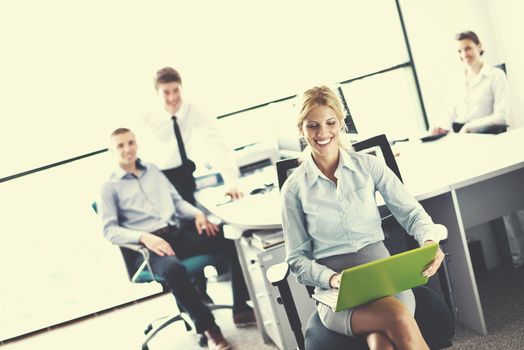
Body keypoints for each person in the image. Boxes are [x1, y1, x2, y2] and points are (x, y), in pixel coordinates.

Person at [281, 85, 448, 350]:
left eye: (330, 122)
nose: (322, 133)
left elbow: (412, 213)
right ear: (301, 129)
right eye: (312, 125)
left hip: (385, 280)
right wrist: (332, 279)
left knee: (381, 343)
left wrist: (430, 241)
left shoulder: (368, 166)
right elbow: (297, 259)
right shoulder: (293, 189)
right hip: (336, 292)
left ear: (341, 124)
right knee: (397, 316)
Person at [99, 128, 255, 350]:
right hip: (149, 248)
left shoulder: (152, 171)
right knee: (173, 270)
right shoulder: (109, 186)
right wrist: (144, 237)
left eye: (131, 143)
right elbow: (109, 230)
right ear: (111, 150)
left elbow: (176, 202)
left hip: (175, 234)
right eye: (120, 146)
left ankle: (241, 308)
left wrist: (198, 214)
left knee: (229, 236)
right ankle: (210, 329)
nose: (127, 149)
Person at [138, 67, 242, 205]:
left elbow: (217, 145)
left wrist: (231, 184)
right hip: (157, 176)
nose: (172, 97)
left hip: (184, 175)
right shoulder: (146, 118)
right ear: (157, 93)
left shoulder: (194, 111)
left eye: (176, 90)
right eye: (166, 92)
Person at [432, 30, 509, 135]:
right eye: (459, 51)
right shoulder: (455, 79)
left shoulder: (496, 75)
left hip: (487, 134)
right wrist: (440, 127)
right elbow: (449, 112)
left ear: (479, 46)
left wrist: (469, 127)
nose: (464, 54)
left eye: (468, 48)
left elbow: (502, 117)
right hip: (461, 135)